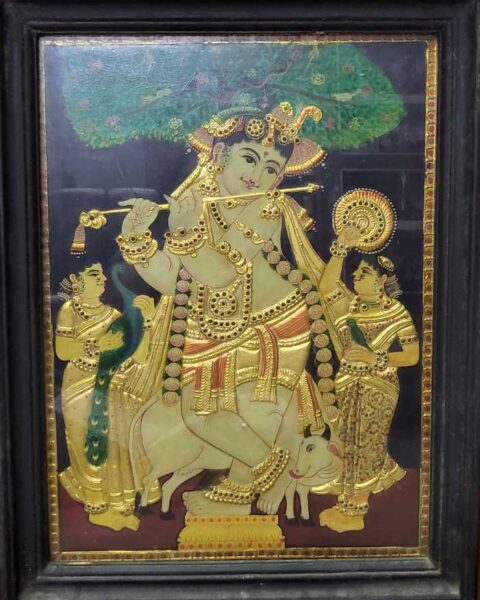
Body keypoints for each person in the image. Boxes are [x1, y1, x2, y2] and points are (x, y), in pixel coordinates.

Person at [117, 102, 334, 516]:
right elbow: (174, 280)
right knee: (197, 414)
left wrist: (183, 233)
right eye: (249, 159)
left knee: (255, 410)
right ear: (219, 154)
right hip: (211, 324)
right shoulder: (195, 200)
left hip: (271, 326)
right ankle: (272, 468)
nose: (257, 175)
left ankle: (250, 486)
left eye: (271, 169)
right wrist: (137, 242)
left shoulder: (265, 208)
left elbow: (219, 273)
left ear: (279, 179)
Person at [318, 225, 420, 532]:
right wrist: (341, 247)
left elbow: (412, 356)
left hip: (379, 386)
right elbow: (326, 287)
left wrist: (375, 358)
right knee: (347, 442)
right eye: (356, 272)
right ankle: (345, 505)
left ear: (382, 280)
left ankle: (358, 512)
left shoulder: (397, 313)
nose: (355, 276)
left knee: (368, 444)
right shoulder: (349, 307)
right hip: (348, 384)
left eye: (364, 273)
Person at [55, 261, 156, 530]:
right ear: (77, 280)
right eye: (93, 275)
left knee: (113, 446)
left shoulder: (112, 315)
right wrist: (96, 345)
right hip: (78, 385)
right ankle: (96, 508)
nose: (101, 279)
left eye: (101, 275)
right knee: (86, 443)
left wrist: (147, 322)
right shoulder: (70, 310)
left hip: (109, 386)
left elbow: (140, 356)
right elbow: (62, 351)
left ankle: (118, 508)